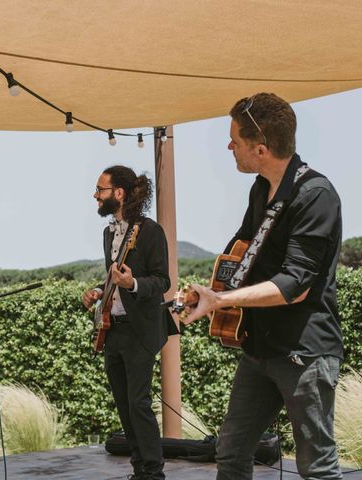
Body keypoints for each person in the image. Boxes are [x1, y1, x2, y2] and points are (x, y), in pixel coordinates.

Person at [180, 93, 343, 479]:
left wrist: (219, 300)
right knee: (231, 452)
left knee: (317, 468)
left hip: (304, 354)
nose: (229, 145)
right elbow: (240, 253)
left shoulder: (315, 195)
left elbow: (295, 284)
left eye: (235, 139)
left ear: (261, 149)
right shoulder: (260, 189)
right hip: (260, 349)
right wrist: (203, 293)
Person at [81, 165, 175, 480]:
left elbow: (163, 281)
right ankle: (139, 469)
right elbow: (113, 278)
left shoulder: (150, 231)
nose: (95, 195)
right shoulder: (108, 233)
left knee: (139, 403)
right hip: (113, 330)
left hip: (140, 331)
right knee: (124, 404)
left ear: (118, 193)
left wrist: (133, 283)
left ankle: (153, 471)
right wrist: (99, 290)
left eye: (100, 189)